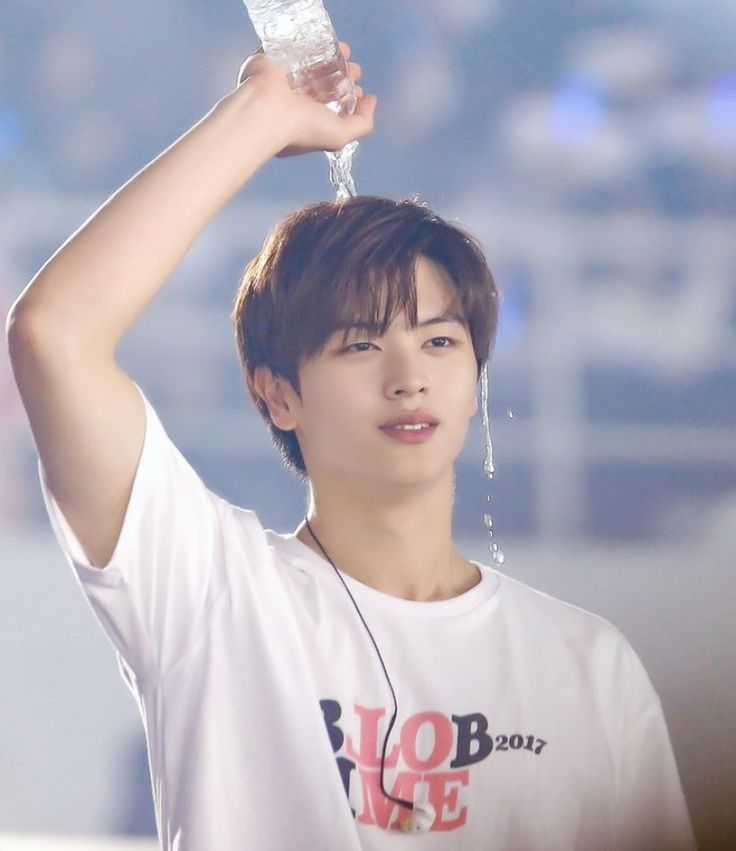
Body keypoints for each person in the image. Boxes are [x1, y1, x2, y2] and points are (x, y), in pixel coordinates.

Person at [6, 41, 696, 851]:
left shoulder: (587, 666)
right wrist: (258, 117)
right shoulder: (212, 594)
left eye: (440, 343)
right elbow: (54, 335)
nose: (409, 377)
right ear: (276, 391)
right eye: (361, 345)